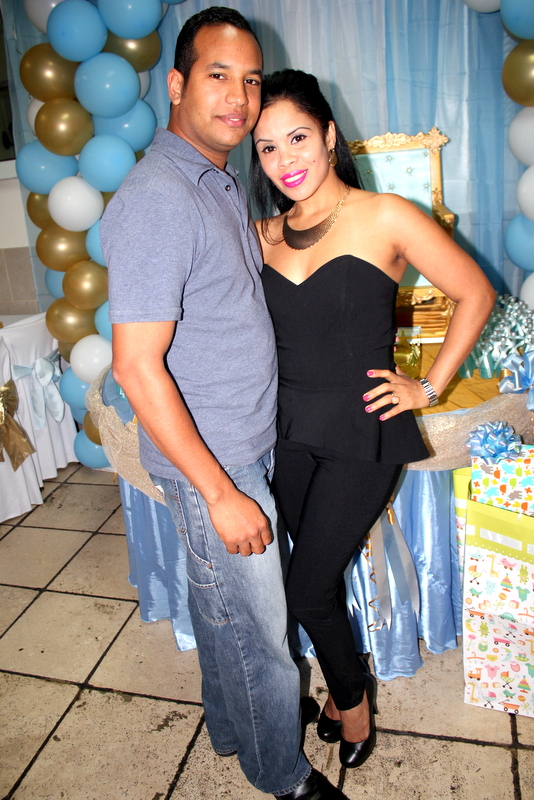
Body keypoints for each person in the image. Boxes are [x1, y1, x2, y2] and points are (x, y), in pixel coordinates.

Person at [100, 10, 349, 800]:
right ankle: (281, 775)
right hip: (216, 460)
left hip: (241, 440)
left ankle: (236, 727)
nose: (240, 98)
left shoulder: (214, 180)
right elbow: (136, 367)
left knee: (223, 614)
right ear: (177, 84)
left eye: (250, 80)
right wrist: (220, 492)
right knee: (260, 633)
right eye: (218, 76)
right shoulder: (160, 195)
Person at [250, 69, 495, 770]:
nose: (285, 159)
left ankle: (353, 703)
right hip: (287, 434)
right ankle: (339, 686)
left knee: (304, 589)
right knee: (314, 576)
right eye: (267, 148)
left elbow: (475, 292)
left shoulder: (386, 215)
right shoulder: (261, 233)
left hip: (362, 432)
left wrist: (429, 387)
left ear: (330, 135)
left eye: (298, 137)